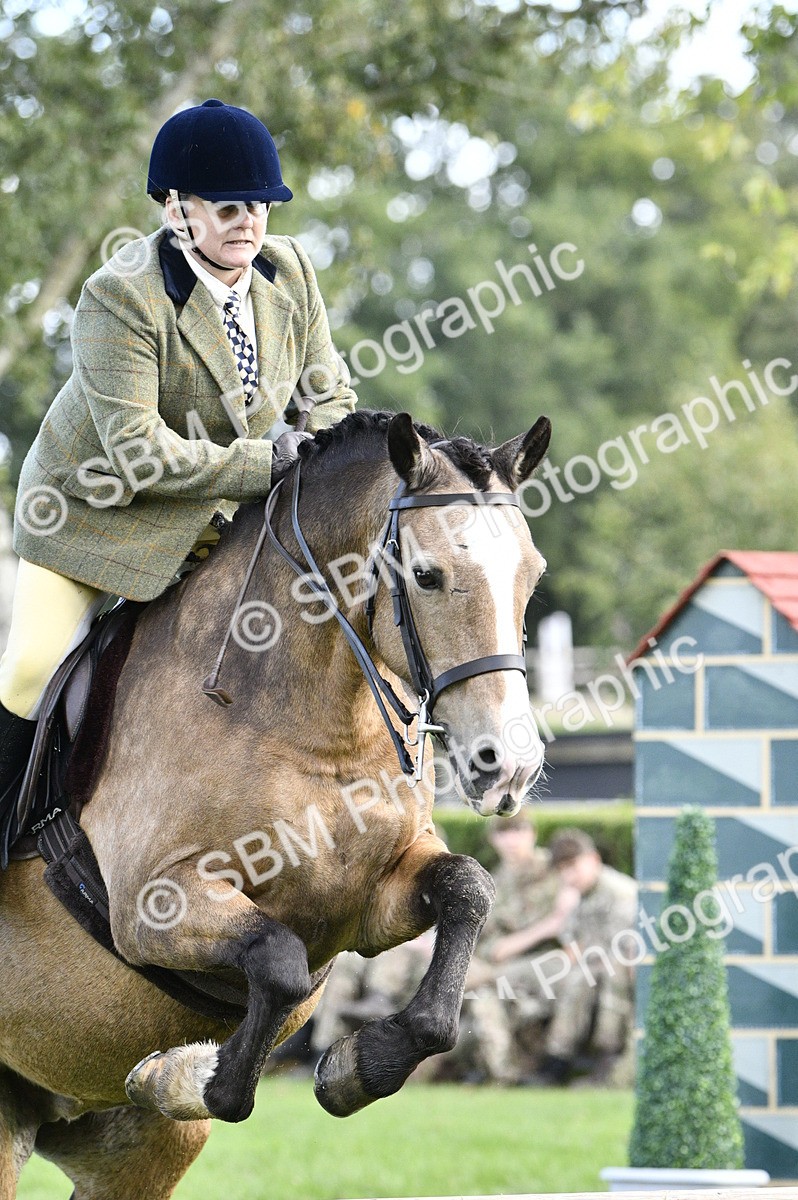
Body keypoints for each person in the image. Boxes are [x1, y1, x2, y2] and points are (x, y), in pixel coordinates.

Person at [0, 98, 357, 864]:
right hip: (92, 512)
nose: (248, 223)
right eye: (227, 207)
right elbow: (137, 452)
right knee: (30, 671)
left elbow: (328, 394)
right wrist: (272, 463)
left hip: (217, 509)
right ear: (174, 209)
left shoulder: (290, 272)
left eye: (260, 206)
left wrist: (332, 456)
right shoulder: (119, 296)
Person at [455, 813, 580, 1084]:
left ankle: (501, 1072)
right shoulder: (493, 884)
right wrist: (546, 926)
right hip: (509, 977)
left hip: (554, 968)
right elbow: (491, 948)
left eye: (518, 831)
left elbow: (574, 927)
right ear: (493, 839)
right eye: (503, 833)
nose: (512, 840)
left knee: (476, 987)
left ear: (532, 833)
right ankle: (505, 1074)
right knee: (483, 1003)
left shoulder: (558, 871)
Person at [533, 828, 638, 1085]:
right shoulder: (581, 895)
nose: (568, 876)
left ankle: (587, 1060)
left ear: (593, 859)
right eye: (562, 870)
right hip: (593, 966)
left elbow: (619, 949)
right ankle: (547, 1060)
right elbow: (571, 942)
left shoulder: (619, 892)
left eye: (573, 866)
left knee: (586, 976)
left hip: (620, 970)